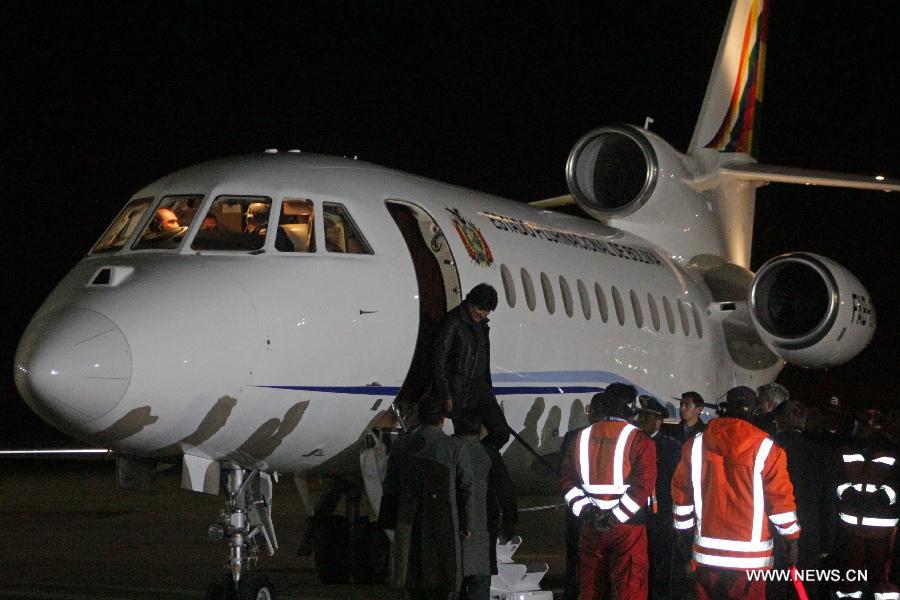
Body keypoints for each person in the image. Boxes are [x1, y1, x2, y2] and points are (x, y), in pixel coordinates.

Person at [671, 386, 800, 600]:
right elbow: (780, 502)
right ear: (755, 412)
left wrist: (683, 535)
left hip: (706, 556)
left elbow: (682, 496)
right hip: (750, 561)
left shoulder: (694, 445)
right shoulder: (768, 449)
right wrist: (791, 538)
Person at [559, 384, 657, 600]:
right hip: (627, 528)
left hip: (591, 526)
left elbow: (567, 482)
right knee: (629, 588)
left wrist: (587, 511)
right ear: (630, 407)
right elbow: (642, 487)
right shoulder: (640, 440)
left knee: (590, 587)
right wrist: (615, 517)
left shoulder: (581, 437)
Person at [379, 400, 473, 600]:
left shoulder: (402, 445)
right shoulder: (454, 447)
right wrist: (467, 524)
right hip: (444, 522)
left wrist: (387, 521)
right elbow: (466, 489)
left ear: (419, 419)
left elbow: (390, 486)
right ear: (442, 421)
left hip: (409, 522)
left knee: (413, 580)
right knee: (444, 579)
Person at [432, 284, 509, 449]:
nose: (481, 313)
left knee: (501, 432)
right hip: (459, 393)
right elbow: (439, 360)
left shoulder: (481, 325)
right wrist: (446, 395)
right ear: (469, 302)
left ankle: (477, 460)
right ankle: (468, 465)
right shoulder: (453, 322)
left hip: (480, 390)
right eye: (478, 308)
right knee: (464, 441)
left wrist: (489, 389)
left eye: (486, 311)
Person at [832, 408, 899, 600]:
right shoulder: (848, 448)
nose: (870, 426)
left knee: (879, 579)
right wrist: (849, 493)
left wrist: (877, 498)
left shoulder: (892, 449)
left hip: (877, 529)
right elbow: (837, 478)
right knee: (852, 577)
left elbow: (896, 482)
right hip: (856, 527)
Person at [769, 400, 832, 600]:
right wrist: (826, 542)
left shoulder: (767, 448)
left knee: (773, 588)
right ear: (803, 422)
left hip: (771, 531)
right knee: (803, 589)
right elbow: (827, 500)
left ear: (778, 420)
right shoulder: (819, 452)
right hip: (809, 533)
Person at [557, 393, 607, 600]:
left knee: (578, 561)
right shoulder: (617, 437)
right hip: (604, 513)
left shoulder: (574, 437)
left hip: (580, 510)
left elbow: (563, 474)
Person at [636, 395, 681, 600]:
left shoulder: (670, 447)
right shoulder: (633, 443)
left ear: (658, 421)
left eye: (647, 417)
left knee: (661, 563)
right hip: (637, 514)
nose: (641, 421)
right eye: (641, 415)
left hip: (661, 514)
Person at [454, 410, 492, 600]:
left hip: (460, 530)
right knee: (479, 585)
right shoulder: (485, 453)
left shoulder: (454, 450)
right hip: (480, 531)